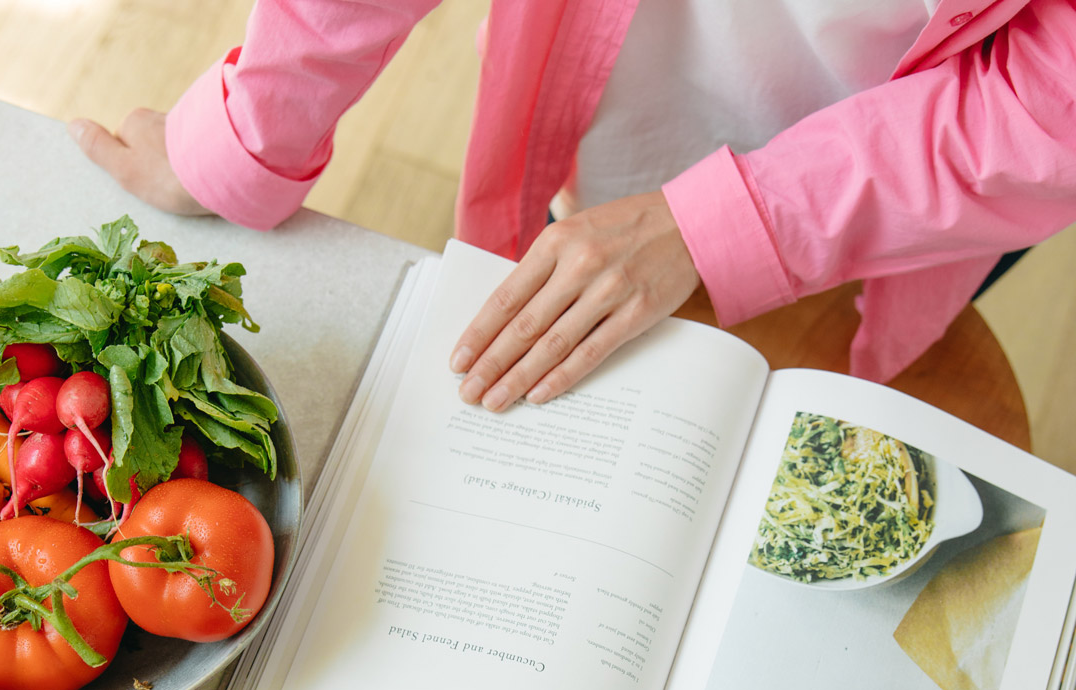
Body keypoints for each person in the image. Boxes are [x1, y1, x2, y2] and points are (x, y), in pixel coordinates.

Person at [69, 0, 1076, 412]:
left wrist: (716, 226)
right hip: (630, 98)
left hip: (924, 173)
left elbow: (1049, 106)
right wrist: (244, 140)